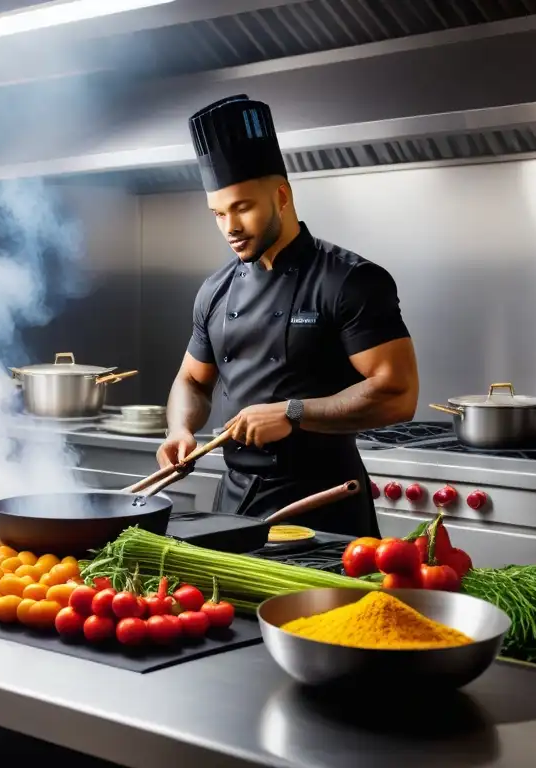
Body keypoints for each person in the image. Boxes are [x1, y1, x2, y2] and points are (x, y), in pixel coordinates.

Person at [156, 95, 419, 538]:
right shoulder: (215, 290)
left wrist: (293, 413)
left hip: (325, 504)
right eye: (218, 213)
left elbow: (398, 393)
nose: (229, 227)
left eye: (242, 207)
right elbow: (192, 381)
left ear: (281, 197)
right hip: (234, 505)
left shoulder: (349, 280)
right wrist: (179, 428)